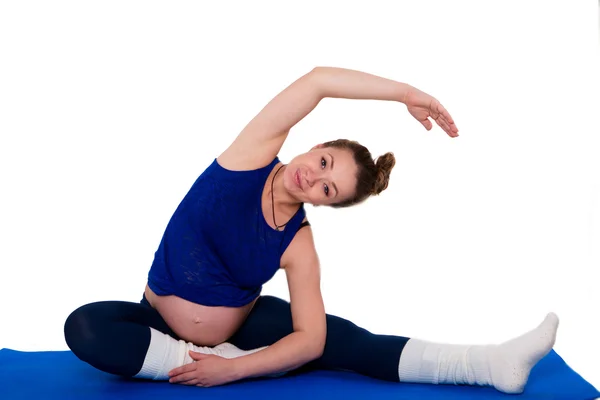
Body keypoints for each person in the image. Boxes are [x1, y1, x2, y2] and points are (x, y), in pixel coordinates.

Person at [64, 66, 558, 394]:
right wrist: (408, 94)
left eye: (328, 189)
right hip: (156, 323)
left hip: (242, 331)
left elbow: (310, 340)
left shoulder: (298, 243)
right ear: (315, 145)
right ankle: (184, 358)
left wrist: (231, 369)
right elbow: (319, 80)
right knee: (84, 328)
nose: (315, 178)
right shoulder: (249, 155)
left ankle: (489, 364)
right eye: (324, 163)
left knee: (346, 342)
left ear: (328, 204)